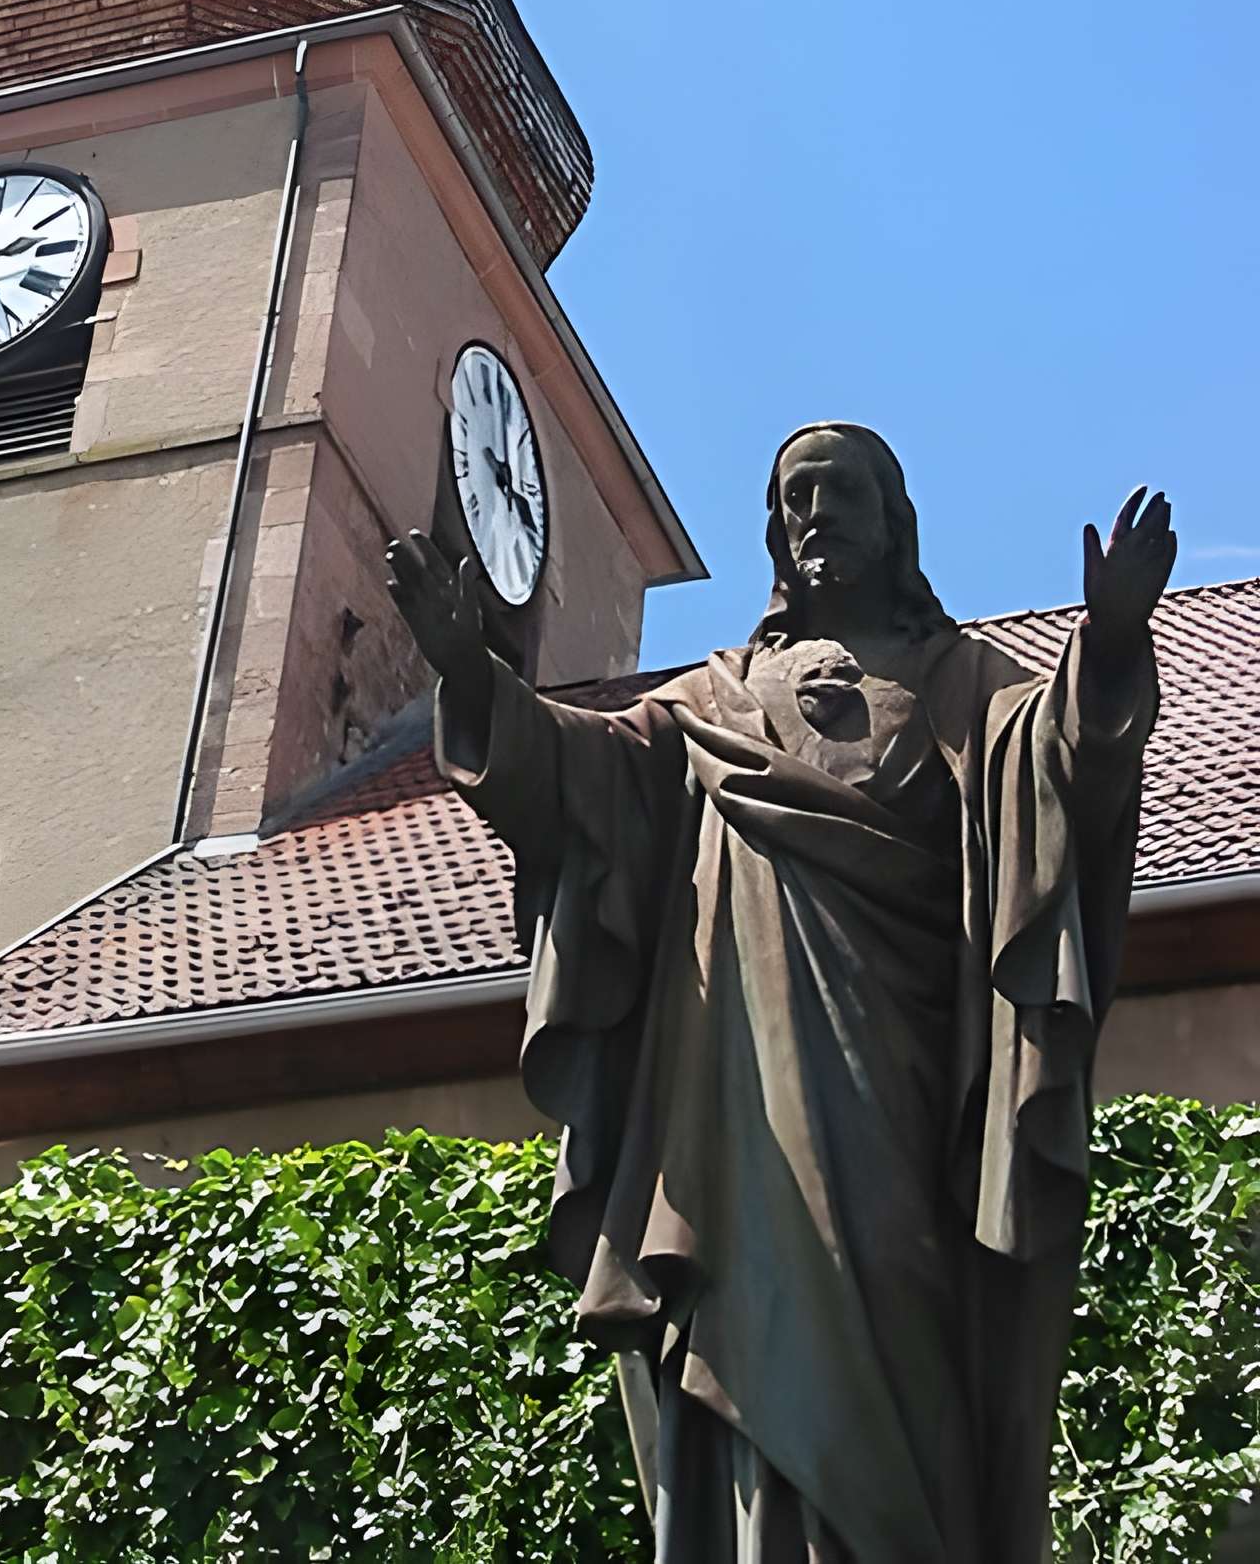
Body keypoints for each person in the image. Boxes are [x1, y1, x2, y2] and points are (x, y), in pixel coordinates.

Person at [387, 425, 1174, 1564]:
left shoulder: (963, 685)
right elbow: (576, 775)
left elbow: (1056, 767)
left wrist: (1106, 644)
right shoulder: (706, 703)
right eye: (794, 499)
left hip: (904, 1105)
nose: (816, 515)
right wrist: (471, 674)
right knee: (753, 1344)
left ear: (892, 521)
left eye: (840, 494)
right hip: (735, 1118)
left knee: (911, 1352)